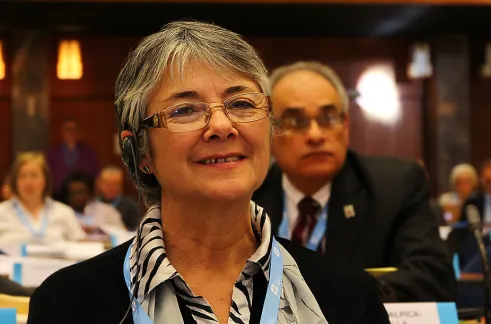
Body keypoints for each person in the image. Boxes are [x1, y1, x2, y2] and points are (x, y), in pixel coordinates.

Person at [28, 21, 388, 324]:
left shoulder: (348, 299)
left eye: (242, 104)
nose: (222, 125)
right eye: (185, 110)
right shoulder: (69, 305)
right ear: (139, 152)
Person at [252, 61, 456, 302]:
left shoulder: (395, 186)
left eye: (328, 117)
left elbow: (432, 277)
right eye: (296, 121)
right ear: (269, 132)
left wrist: (326, 300)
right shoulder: (250, 194)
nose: (316, 135)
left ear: (346, 125)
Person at [0, 152, 85, 243]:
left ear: (45, 180)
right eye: (22, 176)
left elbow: (81, 244)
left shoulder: (63, 212)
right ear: (15, 182)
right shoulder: (2, 212)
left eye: (34, 175)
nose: (28, 182)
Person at [47, 118, 100, 200]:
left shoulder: (88, 151)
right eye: (68, 129)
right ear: (62, 132)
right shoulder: (53, 153)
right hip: (59, 196)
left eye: (74, 130)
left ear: (78, 132)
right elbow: (48, 177)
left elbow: (96, 175)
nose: (71, 133)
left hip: (83, 196)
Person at [61, 171, 126, 232]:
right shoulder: (62, 214)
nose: (78, 197)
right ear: (67, 195)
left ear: (90, 193)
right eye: (73, 193)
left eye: (81, 192)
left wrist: (98, 229)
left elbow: (121, 232)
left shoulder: (108, 211)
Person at [97, 165, 142, 231]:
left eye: (115, 184)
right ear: (100, 184)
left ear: (121, 185)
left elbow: (137, 231)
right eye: (108, 184)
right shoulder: (93, 203)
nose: (111, 188)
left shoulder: (131, 206)